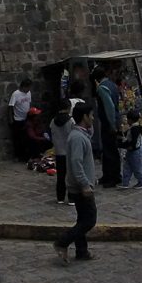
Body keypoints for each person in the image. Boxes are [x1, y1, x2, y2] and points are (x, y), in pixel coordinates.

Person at [53, 102, 97, 264]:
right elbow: (76, 163)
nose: (93, 118)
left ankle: (82, 251)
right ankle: (62, 242)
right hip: (79, 187)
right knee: (89, 220)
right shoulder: (77, 137)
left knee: (82, 218)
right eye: (90, 115)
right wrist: (85, 183)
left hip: (80, 184)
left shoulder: (80, 134)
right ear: (84, 117)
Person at [93, 67, 122, 188]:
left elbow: (109, 107)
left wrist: (111, 124)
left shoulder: (102, 88)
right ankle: (107, 175)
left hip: (108, 123)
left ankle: (113, 177)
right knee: (109, 150)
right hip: (114, 120)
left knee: (110, 150)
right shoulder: (112, 85)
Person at [49, 95, 75, 205]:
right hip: (69, 152)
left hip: (59, 151)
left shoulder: (53, 121)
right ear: (69, 108)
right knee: (71, 177)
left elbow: (51, 133)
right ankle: (71, 199)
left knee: (60, 177)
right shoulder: (71, 121)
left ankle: (60, 198)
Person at [117, 109, 142, 190]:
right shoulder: (134, 128)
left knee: (136, 167)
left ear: (130, 119)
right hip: (131, 151)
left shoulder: (135, 129)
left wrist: (125, 145)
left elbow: (133, 141)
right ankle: (125, 183)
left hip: (134, 151)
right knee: (127, 167)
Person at [7, 78, 33, 162]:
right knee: (18, 139)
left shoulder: (28, 93)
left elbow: (29, 103)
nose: (29, 90)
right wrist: (11, 119)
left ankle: (26, 156)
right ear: (23, 87)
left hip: (26, 118)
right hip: (18, 119)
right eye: (28, 87)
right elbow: (10, 106)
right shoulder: (16, 94)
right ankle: (18, 156)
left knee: (27, 138)